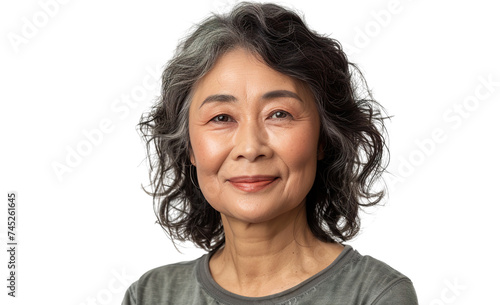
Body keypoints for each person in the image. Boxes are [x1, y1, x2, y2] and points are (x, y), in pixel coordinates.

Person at [122, 2, 418, 304]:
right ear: (188, 147)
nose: (250, 148)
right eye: (222, 118)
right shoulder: (150, 296)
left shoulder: (375, 295)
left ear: (323, 138)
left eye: (279, 114)